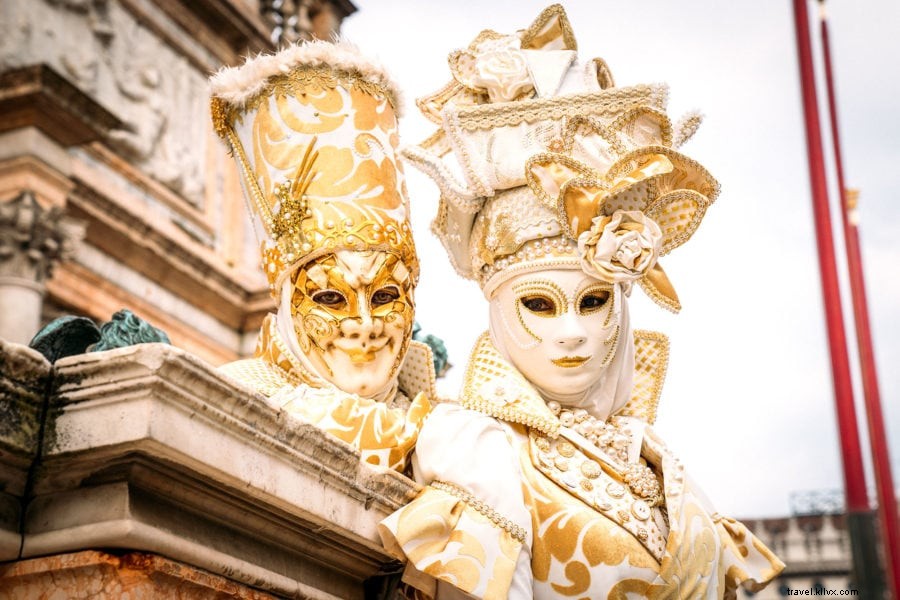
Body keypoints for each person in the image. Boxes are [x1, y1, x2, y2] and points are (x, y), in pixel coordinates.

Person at [379, 4, 784, 597]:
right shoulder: (474, 449)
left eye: (594, 302)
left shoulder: (656, 460)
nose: (571, 333)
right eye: (539, 305)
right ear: (496, 307)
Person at [209, 40, 434, 472]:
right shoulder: (231, 403)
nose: (364, 326)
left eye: (386, 296)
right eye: (330, 298)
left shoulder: (451, 433)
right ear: (289, 306)